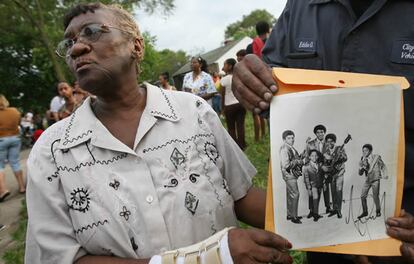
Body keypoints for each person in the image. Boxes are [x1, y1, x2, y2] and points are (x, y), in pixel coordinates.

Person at [24, 3, 293, 264]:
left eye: (92, 31)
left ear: (136, 46)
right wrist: (210, 259)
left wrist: (322, 218)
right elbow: (58, 257)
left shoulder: (193, 112)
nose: (77, 48)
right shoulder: (53, 151)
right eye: (69, 43)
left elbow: (240, 196)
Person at [232, 0, 414, 262]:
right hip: (321, 244)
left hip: (398, 236)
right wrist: (250, 79)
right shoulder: (300, 7)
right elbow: (269, 78)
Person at [0, 94, 26, 202]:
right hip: (15, 138)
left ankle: (3, 190)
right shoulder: (15, 111)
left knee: (0, 166)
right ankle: (22, 187)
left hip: (1, 139)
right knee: (15, 162)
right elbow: (19, 124)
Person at [305, 125, 332, 215]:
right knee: (313, 189)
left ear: (324, 132)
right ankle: (312, 210)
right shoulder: (310, 144)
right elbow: (307, 158)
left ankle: (328, 207)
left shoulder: (328, 143)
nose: (320, 134)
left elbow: (332, 156)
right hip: (314, 169)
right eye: (318, 132)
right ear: (315, 133)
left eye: (322, 132)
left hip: (325, 169)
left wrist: (328, 167)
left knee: (325, 188)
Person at [220, 58, 246, 150]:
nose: (223, 67)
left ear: (230, 66)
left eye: (225, 65)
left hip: (229, 106)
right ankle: (242, 145)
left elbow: (223, 96)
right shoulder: (239, 77)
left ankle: (235, 147)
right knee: (240, 125)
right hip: (240, 104)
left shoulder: (223, 80)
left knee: (231, 127)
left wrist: (222, 109)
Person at [358, 144, 388, 219]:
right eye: (363, 151)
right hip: (368, 180)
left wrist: (385, 174)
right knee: (362, 196)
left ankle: (378, 211)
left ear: (370, 151)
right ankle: (365, 212)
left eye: (366, 150)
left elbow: (383, 166)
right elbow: (360, 174)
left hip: (375, 180)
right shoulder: (362, 159)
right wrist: (361, 167)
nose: (364, 152)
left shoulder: (376, 157)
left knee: (375, 196)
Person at [280, 130, 303, 224]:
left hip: (291, 175)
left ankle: (290, 214)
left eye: (293, 138)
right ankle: (294, 217)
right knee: (295, 194)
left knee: (290, 195)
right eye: (289, 138)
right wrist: (297, 162)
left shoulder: (291, 148)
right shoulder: (284, 149)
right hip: (289, 175)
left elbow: (295, 158)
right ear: (284, 139)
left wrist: (301, 156)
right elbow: (286, 165)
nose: (292, 140)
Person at [322, 134, 347, 219]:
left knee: (338, 191)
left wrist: (341, 155)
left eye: (331, 141)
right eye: (327, 141)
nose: (329, 143)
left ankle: (339, 210)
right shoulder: (326, 152)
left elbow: (345, 158)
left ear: (334, 141)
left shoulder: (339, 148)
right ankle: (335, 209)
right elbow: (325, 164)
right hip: (331, 174)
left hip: (339, 173)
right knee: (333, 192)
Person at [302, 149, 324, 222]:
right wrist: (309, 188)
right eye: (312, 156)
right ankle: (315, 215)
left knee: (317, 199)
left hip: (319, 185)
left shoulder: (319, 165)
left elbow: (321, 175)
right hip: (312, 185)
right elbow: (306, 178)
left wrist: (323, 184)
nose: (314, 157)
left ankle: (314, 212)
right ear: (309, 157)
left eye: (315, 156)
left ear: (317, 157)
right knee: (315, 198)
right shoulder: (307, 166)